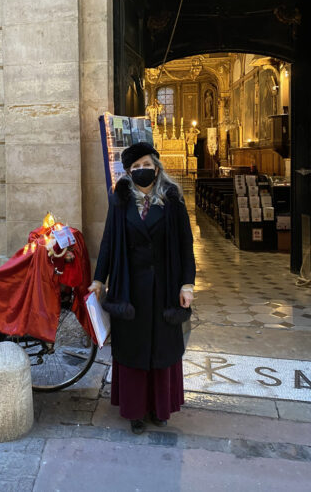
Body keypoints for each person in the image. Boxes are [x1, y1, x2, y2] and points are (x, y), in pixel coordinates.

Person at [88, 142, 195, 434]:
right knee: (134, 349)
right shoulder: (121, 200)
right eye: (135, 168)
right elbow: (109, 241)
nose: (141, 171)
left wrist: (187, 284)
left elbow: (186, 243)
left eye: (146, 165)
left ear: (156, 166)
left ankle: (159, 408)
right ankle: (135, 410)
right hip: (130, 287)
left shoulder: (172, 199)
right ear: (128, 172)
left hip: (165, 287)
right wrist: (99, 279)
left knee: (162, 348)